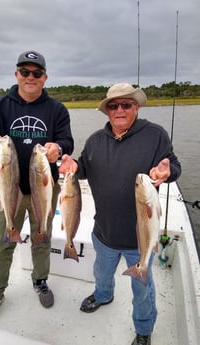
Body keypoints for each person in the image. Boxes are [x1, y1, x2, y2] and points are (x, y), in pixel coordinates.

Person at [59, 82, 181, 345]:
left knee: (143, 291)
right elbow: (81, 170)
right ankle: (103, 296)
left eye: (126, 104)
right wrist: (71, 165)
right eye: (113, 105)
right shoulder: (94, 141)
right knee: (101, 274)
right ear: (107, 111)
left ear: (136, 107)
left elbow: (173, 164)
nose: (120, 110)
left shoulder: (155, 135)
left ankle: (144, 330)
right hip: (103, 233)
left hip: (140, 242)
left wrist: (167, 171)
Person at [0, 50, 74, 324]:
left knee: (42, 237)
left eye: (37, 73)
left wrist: (59, 148)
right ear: (16, 74)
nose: (30, 77)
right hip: (8, 189)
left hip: (44, 188)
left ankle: (40, 280)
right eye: (25, 71)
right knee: (2, 242)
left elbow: (67, 141)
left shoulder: (57, 110)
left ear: (45, 77)